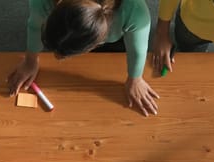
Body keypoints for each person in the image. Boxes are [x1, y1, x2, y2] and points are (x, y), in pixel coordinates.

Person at [8, 0, 159, 116]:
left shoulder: (134, 10)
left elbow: (138, 48)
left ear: (96, 43)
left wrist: (135, 78)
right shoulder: (42, 2)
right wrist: (30, 60)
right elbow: (35, 25)